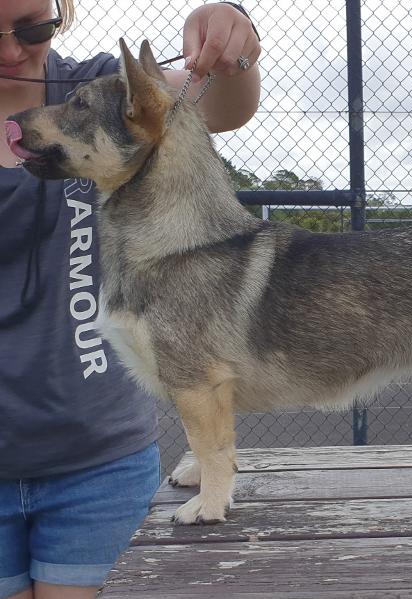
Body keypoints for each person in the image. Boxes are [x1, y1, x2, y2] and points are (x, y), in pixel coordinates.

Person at [0, 1, 261, 597]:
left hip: (99, 466)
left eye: (32, 28)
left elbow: (219, 104)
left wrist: (232, 38)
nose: (13, 51)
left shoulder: (93, 88)